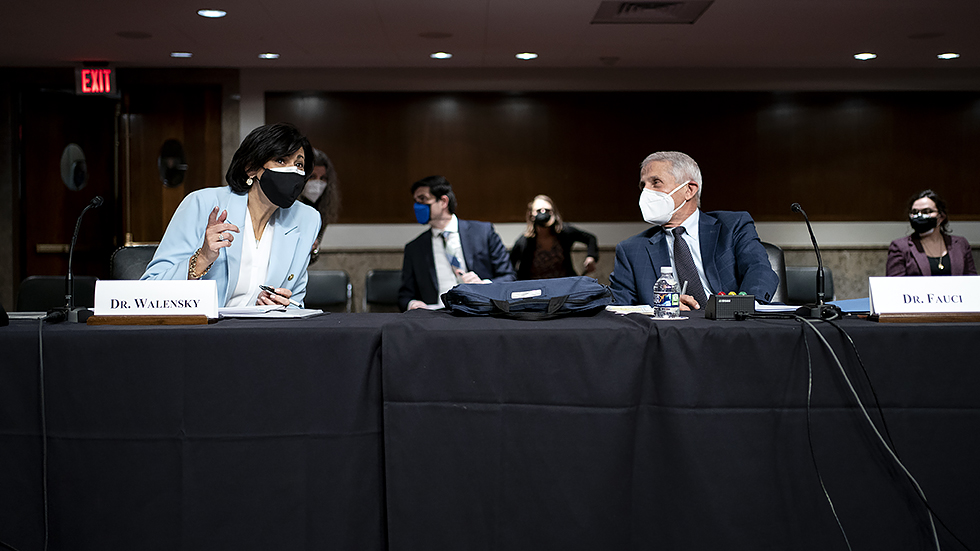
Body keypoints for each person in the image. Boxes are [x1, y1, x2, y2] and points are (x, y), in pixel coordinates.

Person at [142, 122, 321, 307]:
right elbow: (150, 289)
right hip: (205, 331)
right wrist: (202, 258)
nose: (292, 171)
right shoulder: (202, 204)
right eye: (281, 161)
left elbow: (296, 300)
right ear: (251, 168)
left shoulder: (307, 220)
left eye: (299, 164)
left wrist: (279, 305)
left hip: (263, 333)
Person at [609, 151, 778, 309]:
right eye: (643, 185)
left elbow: (759, 270)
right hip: (670, 334)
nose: (646, 192)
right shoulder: (631, 249)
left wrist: (737, 309)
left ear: (689, 190)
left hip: (732, 328)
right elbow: (621, 307)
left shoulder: (732, 226)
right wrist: (665, 304)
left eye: (656, 183)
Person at [399, 175, 516, 310]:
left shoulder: (483, 233)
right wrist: (412, 304)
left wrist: (484, 285)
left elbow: (509, 277)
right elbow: (405, 295)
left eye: (423, 199)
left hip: (479, 312)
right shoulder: (414, 247)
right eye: (415, 201)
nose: (417, 206)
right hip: (436, 315)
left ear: (443, 201)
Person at [886, 189, 977, 276]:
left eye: (926, 211)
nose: (920, 216)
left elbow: (972, 281)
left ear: (941, 217)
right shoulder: (900, 247)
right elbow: (895, 286)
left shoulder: (960, 244)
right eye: (915, 212)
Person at [510, 194, 598, 279]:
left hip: (563, 286)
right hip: (534, 289)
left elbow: (590, 238)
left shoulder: (565, 232)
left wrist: (591, 257)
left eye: (547, 210)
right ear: (531, 215)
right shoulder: (524, 242)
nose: (543, 213)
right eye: (539, 210)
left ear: (553, 213)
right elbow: (509, 265)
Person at [297, 148, 341, 265]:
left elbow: (313, 257)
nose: (317, 184)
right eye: (312, 177)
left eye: (322, 179)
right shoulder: (287, 208)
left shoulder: (322, 209)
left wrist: (313, 250)